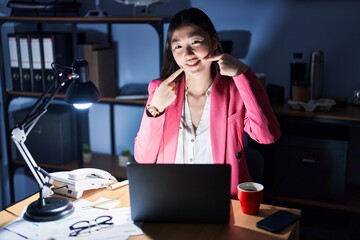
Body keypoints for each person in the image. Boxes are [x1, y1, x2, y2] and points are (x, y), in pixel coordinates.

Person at [134, 7, 281, 198]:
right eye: (178, 46)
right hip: (171, 197)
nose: (187, 54)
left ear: (213, 42)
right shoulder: (160, 90)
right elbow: (143, 159)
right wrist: (154, 109)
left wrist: (243, 73)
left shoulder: (235, 89)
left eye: (195, 42)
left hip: (224, 200)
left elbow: (267, 136)